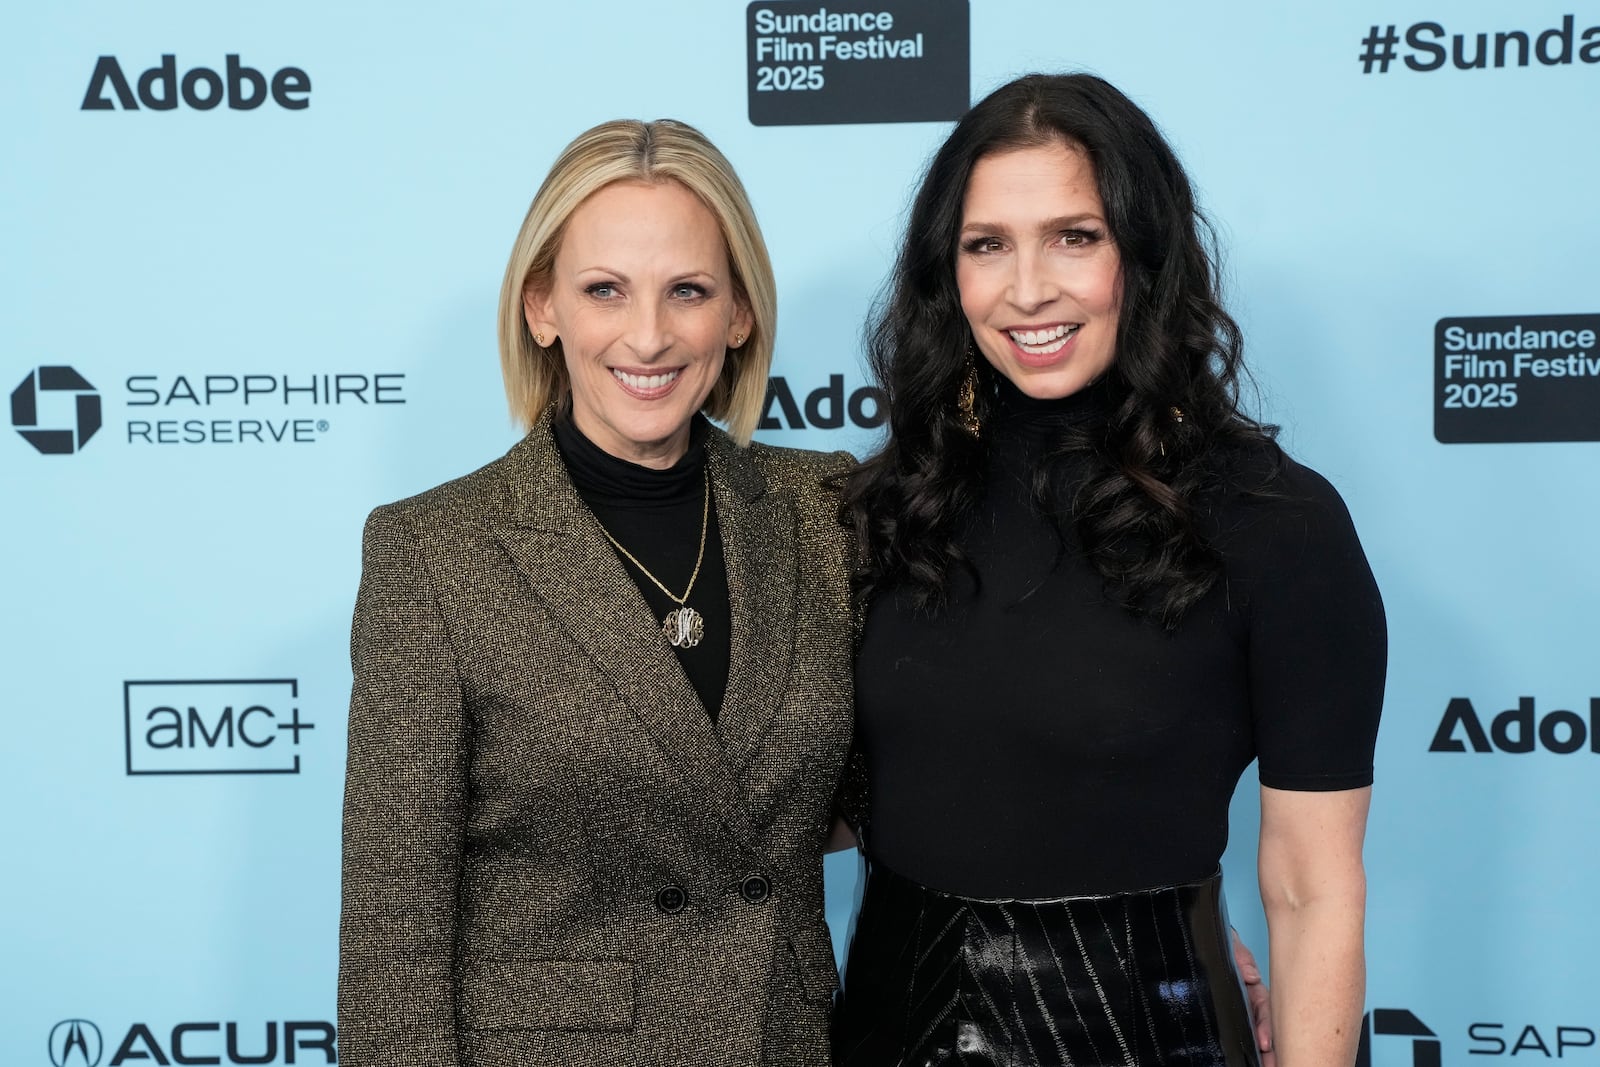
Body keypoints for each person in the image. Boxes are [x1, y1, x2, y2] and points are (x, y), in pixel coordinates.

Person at [835, 74, 1385, 1066]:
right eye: (986, 244)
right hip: (890, 1026)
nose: (1028, 286)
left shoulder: (1276, 524)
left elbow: (1312, 888)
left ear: (1144, 250)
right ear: (944, 273)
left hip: (1151, 1031)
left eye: (1074, 236)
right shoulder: (886, 511)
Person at [336, 119, 855, 1067]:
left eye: (687, 291)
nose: (648, 335)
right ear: (543, 307)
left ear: (738, 313)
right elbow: (392, 938)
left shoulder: (822, 509)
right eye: (604, 290)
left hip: (782, 1040)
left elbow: (919, 776)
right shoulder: (433, 550)